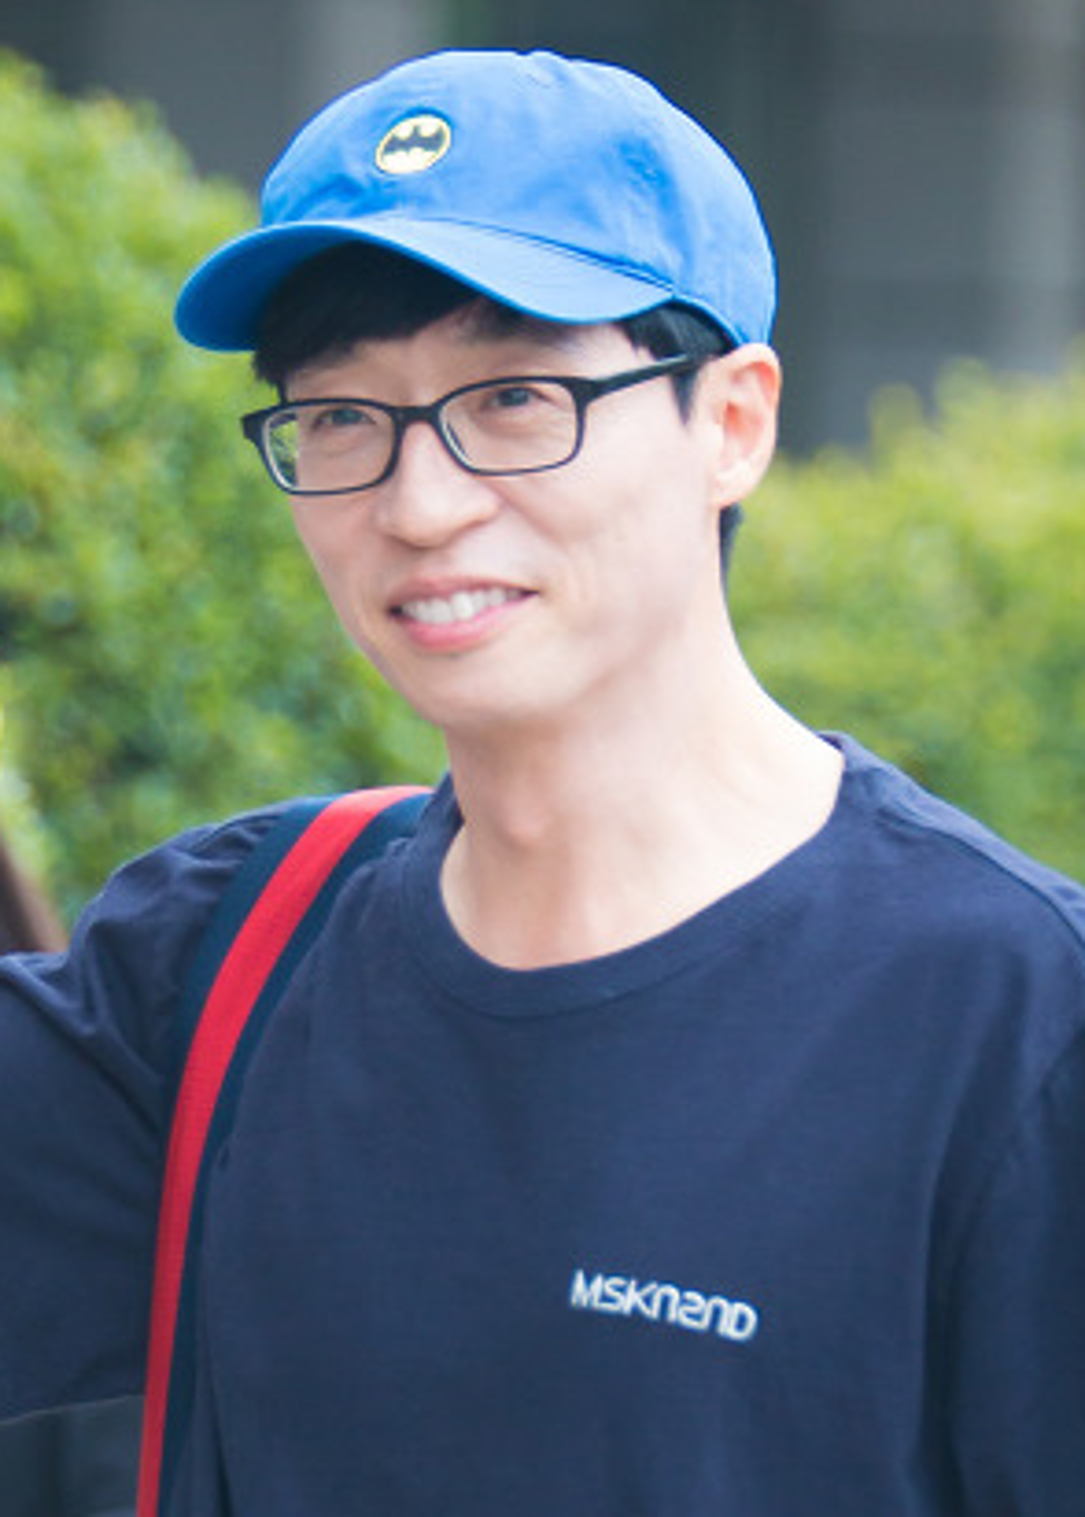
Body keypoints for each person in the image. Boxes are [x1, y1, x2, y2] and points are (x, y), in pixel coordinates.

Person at [1, 47, 1083, 1516]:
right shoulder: (218, 963)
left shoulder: (1015, 1022)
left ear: (732, 423)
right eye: (341, 417)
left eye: (513, 397)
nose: (418, 504)